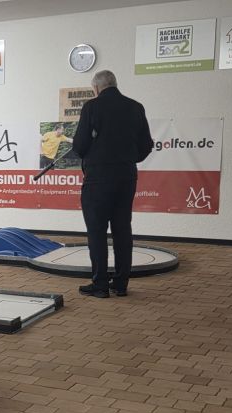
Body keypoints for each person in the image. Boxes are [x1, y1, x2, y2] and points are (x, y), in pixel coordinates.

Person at [72, 70, 153, 298]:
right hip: (126, 176)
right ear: (115, 84)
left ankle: (100, 285)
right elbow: (146, 145)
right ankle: (121, 284)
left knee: (97, 231)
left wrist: (93, 155)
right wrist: (128, 159)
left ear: (96, 88)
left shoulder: (92, 107)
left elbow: (79, 145)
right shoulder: (136, 107)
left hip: (98, 178)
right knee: (122, 229)